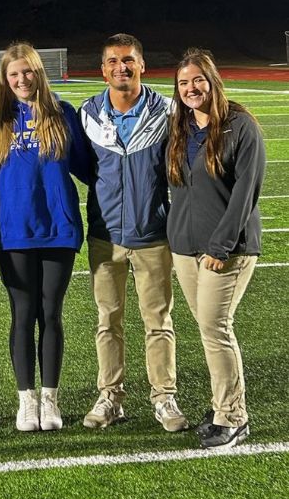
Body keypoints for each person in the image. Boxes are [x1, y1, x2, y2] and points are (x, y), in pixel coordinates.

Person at [78, 33, 188, 432]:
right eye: (113, 61)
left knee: (157, 320)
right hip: (105, 234)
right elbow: (84, 166)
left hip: (153, 233)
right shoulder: (88, 112)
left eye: (128, 60)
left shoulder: (168, 111)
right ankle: (111, 395)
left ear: (142, 65)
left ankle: (164, 397)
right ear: (102, 69)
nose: (121, 67)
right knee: (108, 319)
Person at [0, 42, 90, 432]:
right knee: (22, 314)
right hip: (13, 231)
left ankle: (50, 399)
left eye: (26, 71)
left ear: (38, 72)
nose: (21, 79)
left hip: (58, 230)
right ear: (5, 79)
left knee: (51, 314)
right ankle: (26, 401)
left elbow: (87, 166)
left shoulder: (62, 113)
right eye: (13, 74)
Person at [167, 49, 264, 449]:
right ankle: (221, 407)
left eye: (198, 80)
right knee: (209, 330)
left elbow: (245, 193)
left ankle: (233, 417)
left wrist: (221, 246)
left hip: (226, 250)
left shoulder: (240, 126)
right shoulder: (181, 127)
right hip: (185, 247)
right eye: (184, 83)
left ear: (212, 80)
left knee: (215, 329)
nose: (191, 89)